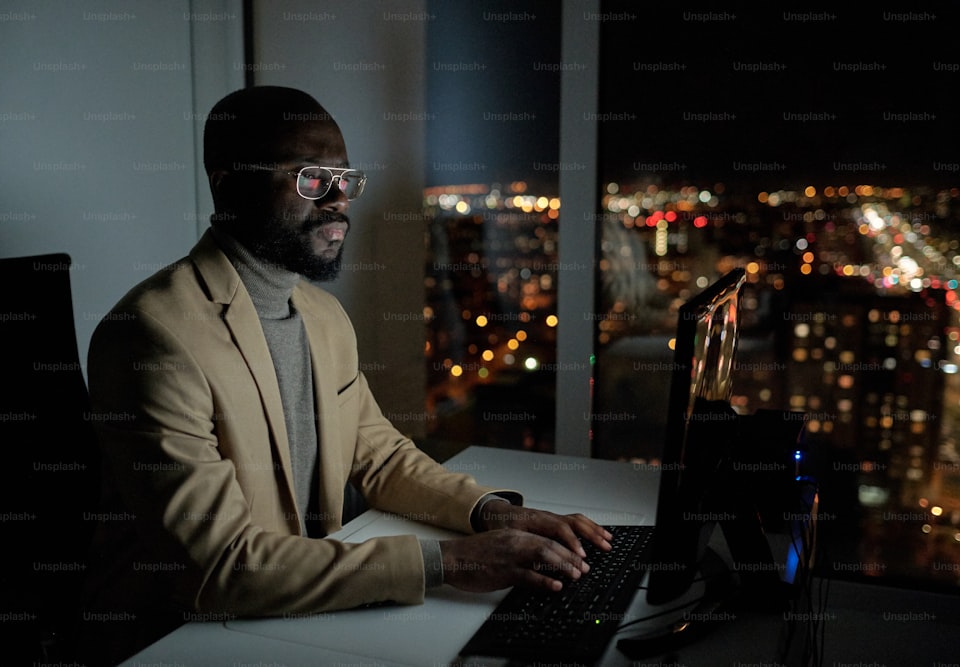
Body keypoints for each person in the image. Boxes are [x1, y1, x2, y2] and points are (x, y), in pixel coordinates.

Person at [78, 86, 611, 666]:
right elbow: (221, 570)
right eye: (311, 180)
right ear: (226, 182)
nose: (338, 203)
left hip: (300, 613)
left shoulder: (323, 316)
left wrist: (493, 513)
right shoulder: (153, 334)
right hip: (182, 641)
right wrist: (453, 563)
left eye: (345, 180)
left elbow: (377, 456)